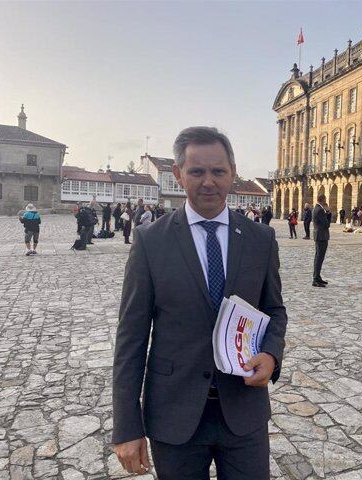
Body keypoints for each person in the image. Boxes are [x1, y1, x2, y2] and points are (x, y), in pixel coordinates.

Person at [112, 126, 287, 479]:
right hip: (174, 415)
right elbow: (131, 338)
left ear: (232, 173)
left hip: (243, 412)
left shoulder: (260, 238)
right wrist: (127, 427)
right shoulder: (151, 242)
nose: (209, 181)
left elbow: (274, 310)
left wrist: (270, 353)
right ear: (179, 175)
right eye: (197, 171)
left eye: (218, 171)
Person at [312, 194, 331, 287]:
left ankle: (317, 277)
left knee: (318, 257)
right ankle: (315, 279)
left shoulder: (316, 208)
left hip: (319, 236)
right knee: (319, 258)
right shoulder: (320, 210)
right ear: (323, 200)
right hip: (321, 236)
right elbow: (327, 224)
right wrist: (328, 212)